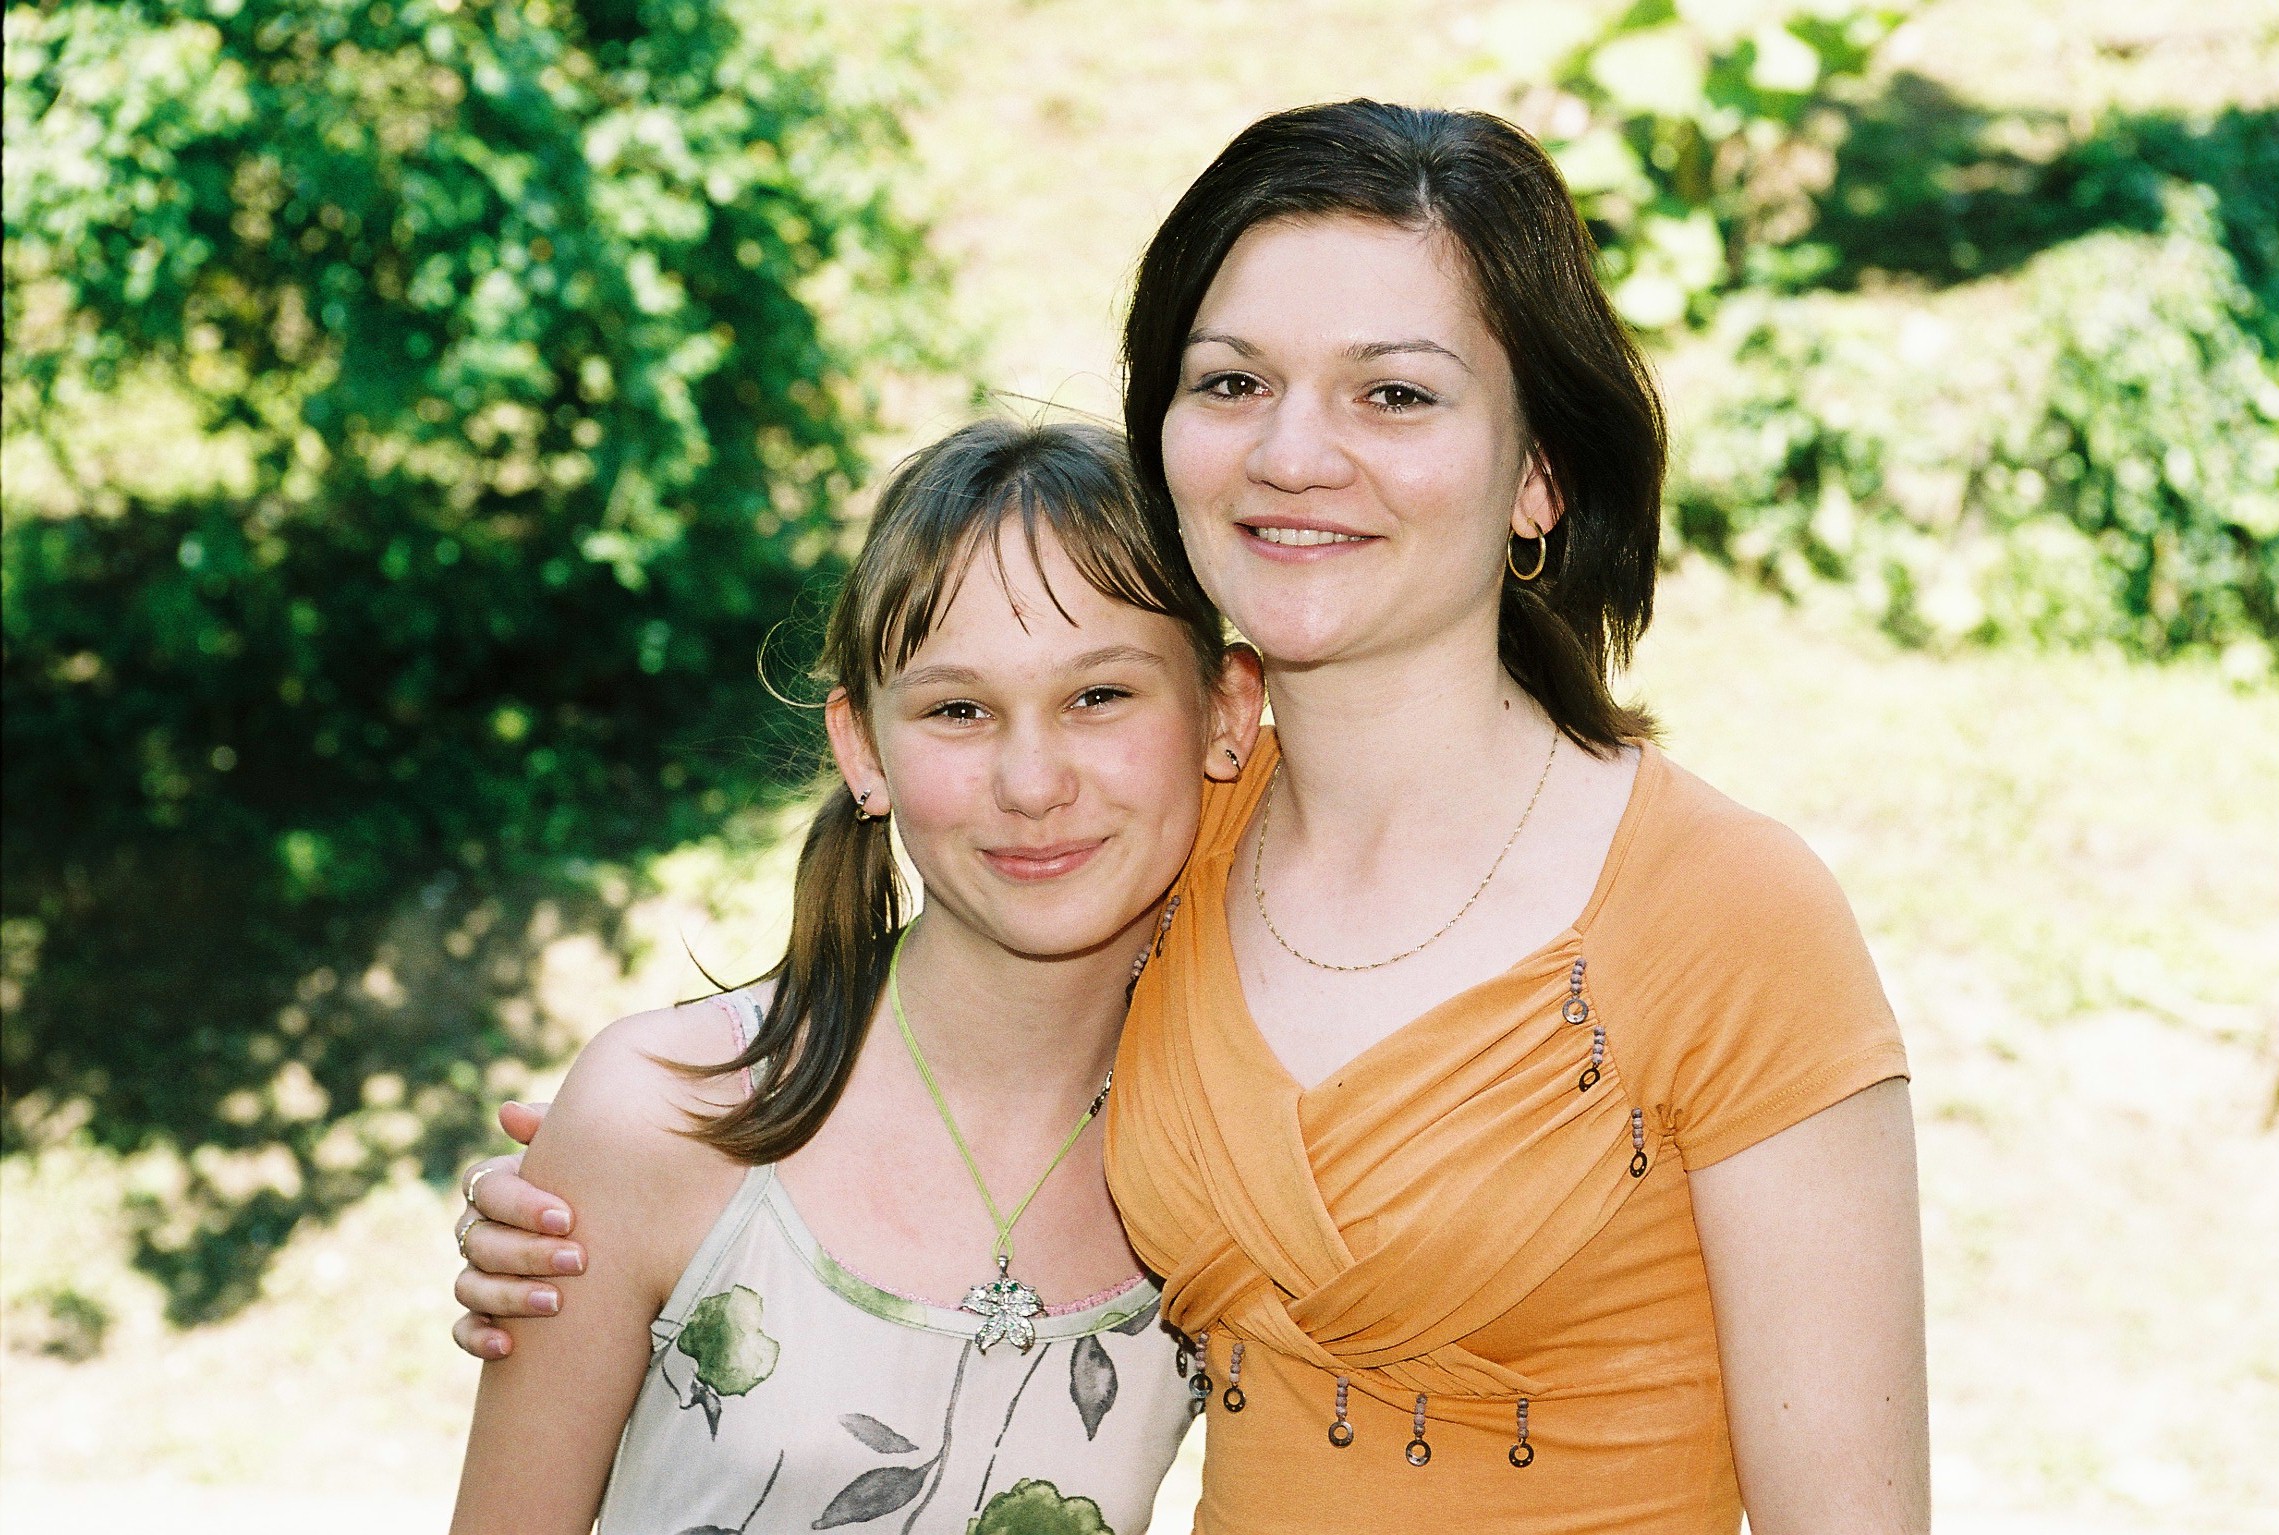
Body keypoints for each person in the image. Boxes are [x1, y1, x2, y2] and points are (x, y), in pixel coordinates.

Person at [452, 101, 1929, 1535]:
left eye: (1394, 393)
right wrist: (612, 1185)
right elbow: (924, 1078)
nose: (1293, 453)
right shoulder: (1169, 835)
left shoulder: (1724, 913)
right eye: (1230, 383)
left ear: (1537, 473)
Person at [448, 418, 1264, 1534]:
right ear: (863, 750)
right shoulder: (668, 1116)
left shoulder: (1242, 1174)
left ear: (1225, 711)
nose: (1032, 782)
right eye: (958, 709)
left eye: (1099, 696)